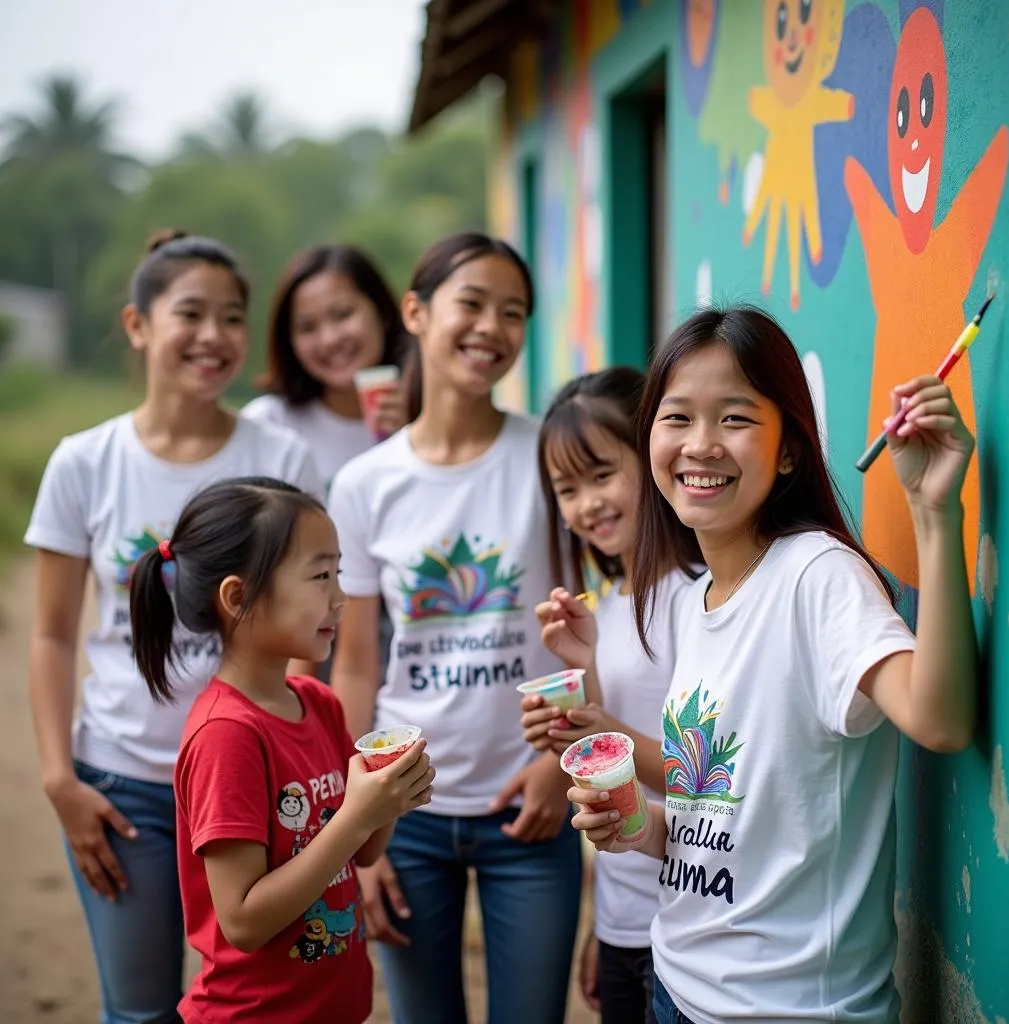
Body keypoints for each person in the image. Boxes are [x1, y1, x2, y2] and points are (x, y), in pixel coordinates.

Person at [570, 305, 979, 1024]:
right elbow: (724, 818)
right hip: (677, 984)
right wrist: (639, 829)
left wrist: (933, 512)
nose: (700, 445)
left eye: (734, 419)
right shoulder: (696, 602)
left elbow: (939, 720)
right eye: (677, 418)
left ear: (789, 450)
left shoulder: (816, 576)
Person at [24, 231, 322, 1024]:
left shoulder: (281, 456)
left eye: (233, 317)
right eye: (191, 313)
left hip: (259, 787)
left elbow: (314, 622)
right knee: (142, 1009)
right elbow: (52, 634)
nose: (215, 336)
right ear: (137, 324)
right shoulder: (83, 463)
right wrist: (62, 780)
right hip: (125, 791)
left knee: (271, 1004)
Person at [328, 233, 582, 1024]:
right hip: (406, 814)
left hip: (531, 806)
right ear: (415, 311)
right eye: (471, 302)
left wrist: (557, 764)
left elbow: (584, 625)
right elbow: (358, 664)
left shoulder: (547, 453)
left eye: (513, 313)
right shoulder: (365, 484)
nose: (492, 328)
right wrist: (356, 829)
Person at [127, 476, 434, 1022]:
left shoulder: (318, 702)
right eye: (320, 576)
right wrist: (356, 817)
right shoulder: (227, 735)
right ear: (238, 597)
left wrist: (390, 799)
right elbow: (242, 921)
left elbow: (361, 852)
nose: (340, 597)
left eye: (338, 573)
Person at [520, 367, 697, 1024]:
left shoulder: (701, 595)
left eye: (601, 475)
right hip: (625, 919)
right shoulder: (611, 607)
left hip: (691, 917)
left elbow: (702, 771)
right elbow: (606, 788)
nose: (586, 504)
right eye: (568, 489)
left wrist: (600, 727)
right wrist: (602, 925)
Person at [241, 244, 414, 493]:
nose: (329, 339)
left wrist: (414, 444)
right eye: (308, 327)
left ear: (383, 314)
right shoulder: (267, 424)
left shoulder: (426, 417)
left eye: (342, 315)